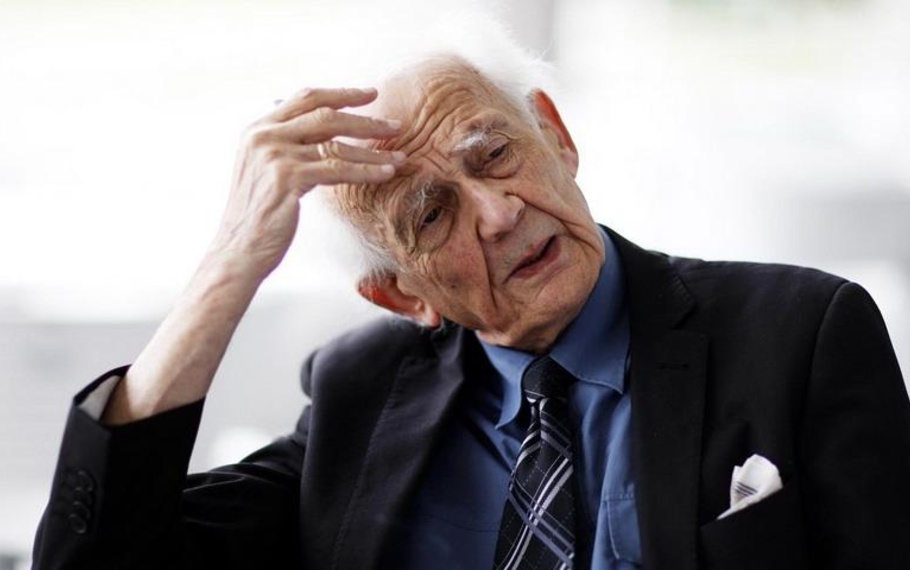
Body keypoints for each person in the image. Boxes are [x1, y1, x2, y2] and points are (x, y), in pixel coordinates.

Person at [33, 22, 910, 570]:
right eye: (432, 214)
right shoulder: (361, 393)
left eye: (494, 155)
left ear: (556, 136)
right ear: (398, 295)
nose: (497, 214)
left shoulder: (801, 335)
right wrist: (230, 264)